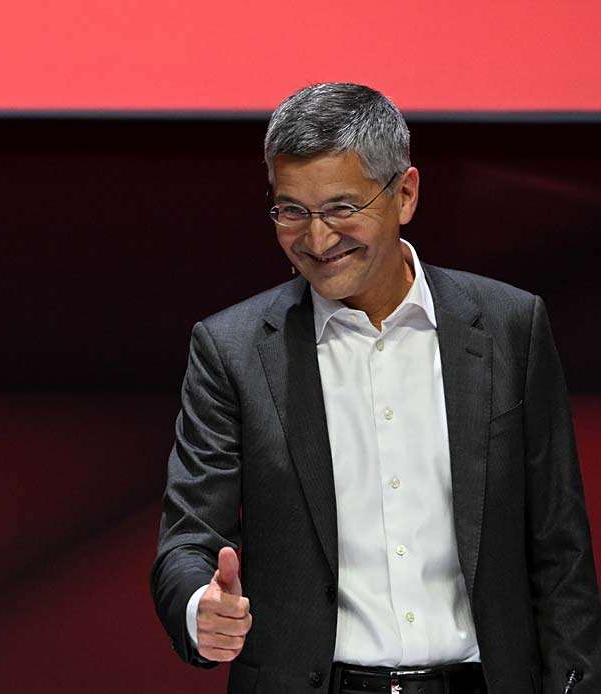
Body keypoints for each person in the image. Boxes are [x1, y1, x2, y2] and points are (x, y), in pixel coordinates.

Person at [151, 83, 601, 693]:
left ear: (405, 194)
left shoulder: (508, 327)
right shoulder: (229, 349)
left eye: (341, 208)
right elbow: (189, 539)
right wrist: (199, 607)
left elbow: (560, 548)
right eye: (291, 211)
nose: (316, 240)